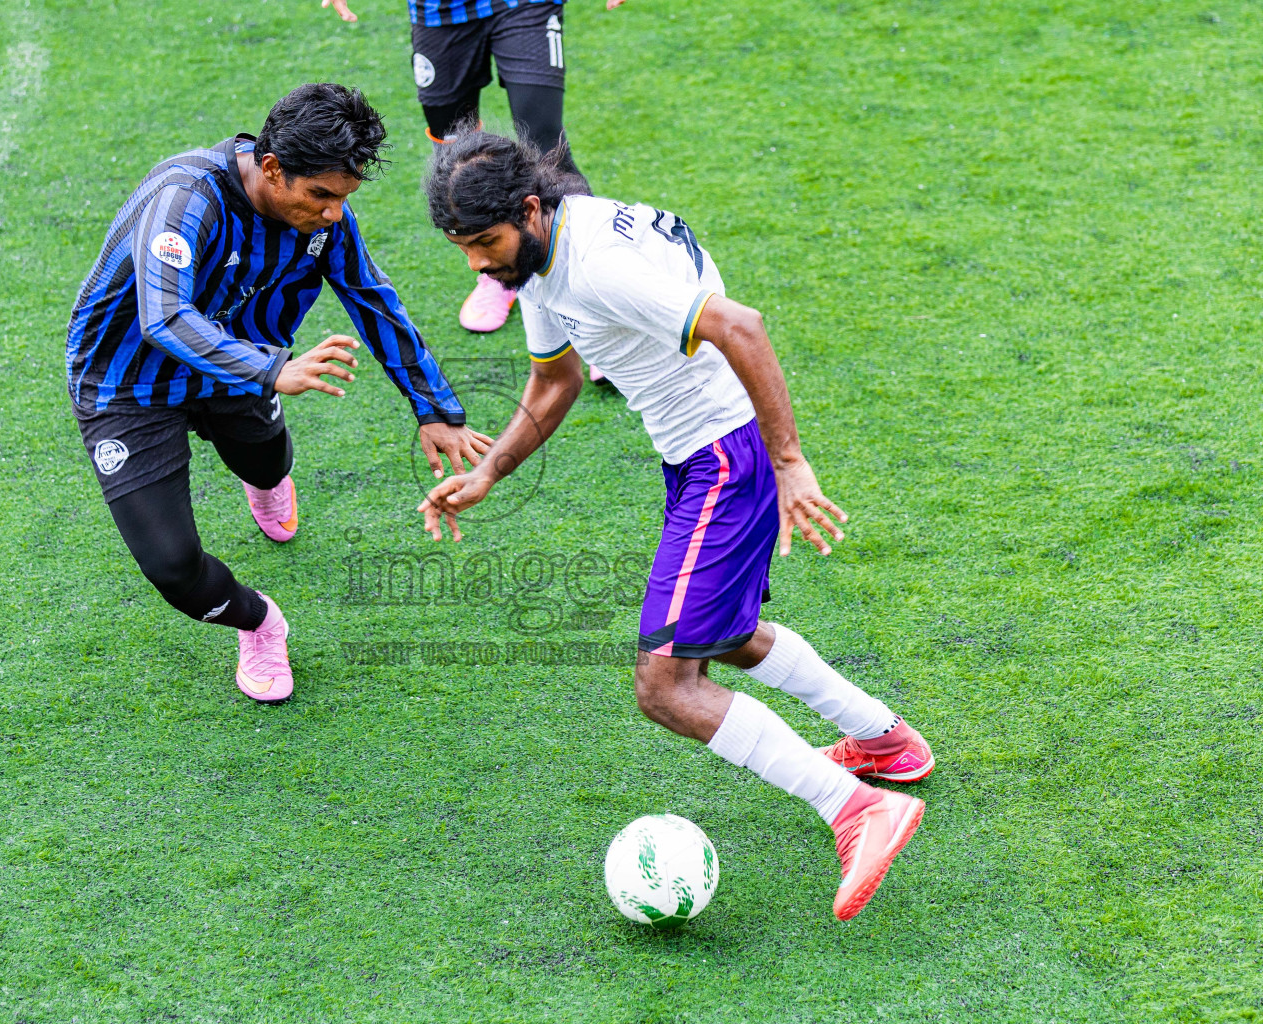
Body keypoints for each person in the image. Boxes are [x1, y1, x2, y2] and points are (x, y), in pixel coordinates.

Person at [416, 129, 934, 921]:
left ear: (528, 208)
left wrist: (790, 463)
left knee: (666, 686)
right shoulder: (549, 254)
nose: (479, 266)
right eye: (464, 250)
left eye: (485, 244)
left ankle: (855, 807)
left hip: (723, 453)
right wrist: (490, 471)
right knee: (719, 632)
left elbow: (742, 326)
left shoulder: (597, 268)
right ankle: (884, 740)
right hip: (701, 455)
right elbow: (555, 379)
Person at [65, 84, 490, 705]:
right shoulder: (185, 199)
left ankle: (263, 477)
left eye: (344, 197)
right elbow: (164, 316)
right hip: (128, 383)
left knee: (265, 463)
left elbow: (375, 302)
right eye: (321, 195)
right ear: (270, 169)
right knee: (174, 570)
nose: (334, 214)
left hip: (240, 364)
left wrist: (434, 409)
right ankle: (261, 622)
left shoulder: (324, 219)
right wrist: (269, 370)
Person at [320, 0, 625, 354]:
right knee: (454, 157)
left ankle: (590, 282)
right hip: (439, 12)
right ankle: (498, 266)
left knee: (546, 143)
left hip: (525, 6)